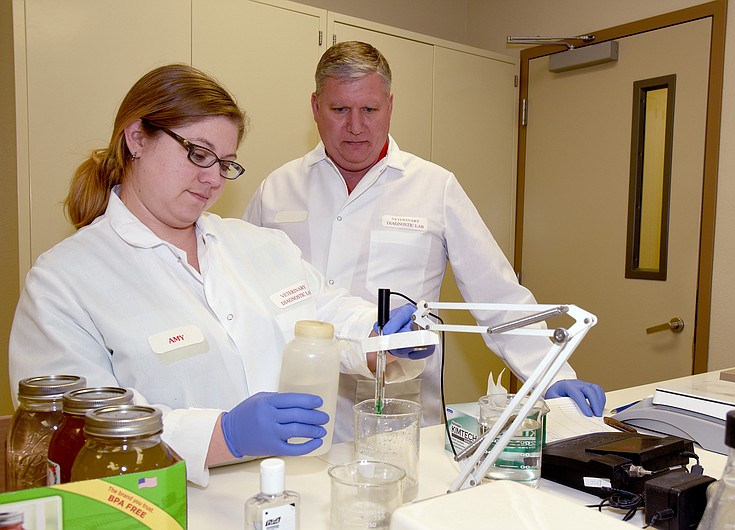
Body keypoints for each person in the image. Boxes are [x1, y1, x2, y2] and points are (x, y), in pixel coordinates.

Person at [8, 63, 431, 486]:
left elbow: (326, 313)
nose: (212, 179)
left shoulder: (259, 246)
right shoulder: (64, 281)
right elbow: (74, 429)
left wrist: (384, 337)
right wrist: (222, 435)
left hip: (294, 494)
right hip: (163, 508)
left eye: (225, 163)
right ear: (137, 138)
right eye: (198, 154)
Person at [243, 41, 606, 443]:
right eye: (339, 109)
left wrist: (551, 374)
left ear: (390, 105)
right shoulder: (276, 190)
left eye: (369, 109)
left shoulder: (435, 187)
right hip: (297, 409)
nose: (355, 126)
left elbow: (497, 295)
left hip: (399, 412)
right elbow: (240, 296)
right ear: (315, 106)